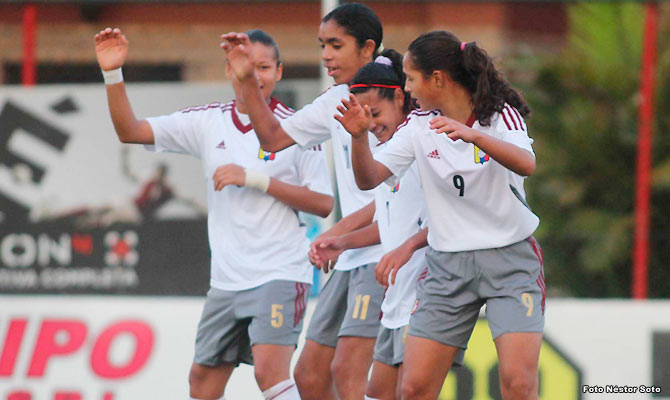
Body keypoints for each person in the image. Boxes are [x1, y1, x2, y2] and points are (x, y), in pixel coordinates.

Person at [94, 27, 334, 400]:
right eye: (244, 66)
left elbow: (322, 202)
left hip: (279, 273)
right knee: (202, 383)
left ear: (280, 72)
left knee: (271, 375)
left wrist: (253, 179)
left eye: (264, 67)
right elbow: (131, 131)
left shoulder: (297, 128)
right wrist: (112, 73)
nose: (253, 75)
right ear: (228, 70)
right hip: (226, 282)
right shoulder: (208, 122)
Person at [336, 30, 545, 400]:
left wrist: (472, 135)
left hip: (510, 261)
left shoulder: (500, 115)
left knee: (519, 384)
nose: (408, 87)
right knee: (414, 388)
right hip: (447, 265)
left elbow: (526, 164)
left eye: (411, 78)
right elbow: (369, 179)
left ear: (437, 78)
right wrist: (357, 139)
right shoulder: (418, 127)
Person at [221, 4, 388, 399]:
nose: (326, 55)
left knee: (351, 373)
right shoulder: (335, 100)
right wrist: (247, 80)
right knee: (311, 376)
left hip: (385, 253)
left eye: (336, 45)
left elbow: (398, 198)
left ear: (367, 49)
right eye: (322, 45)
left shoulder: (393, 100)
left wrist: (342, 234)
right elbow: (273, 140)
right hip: (351, 255)